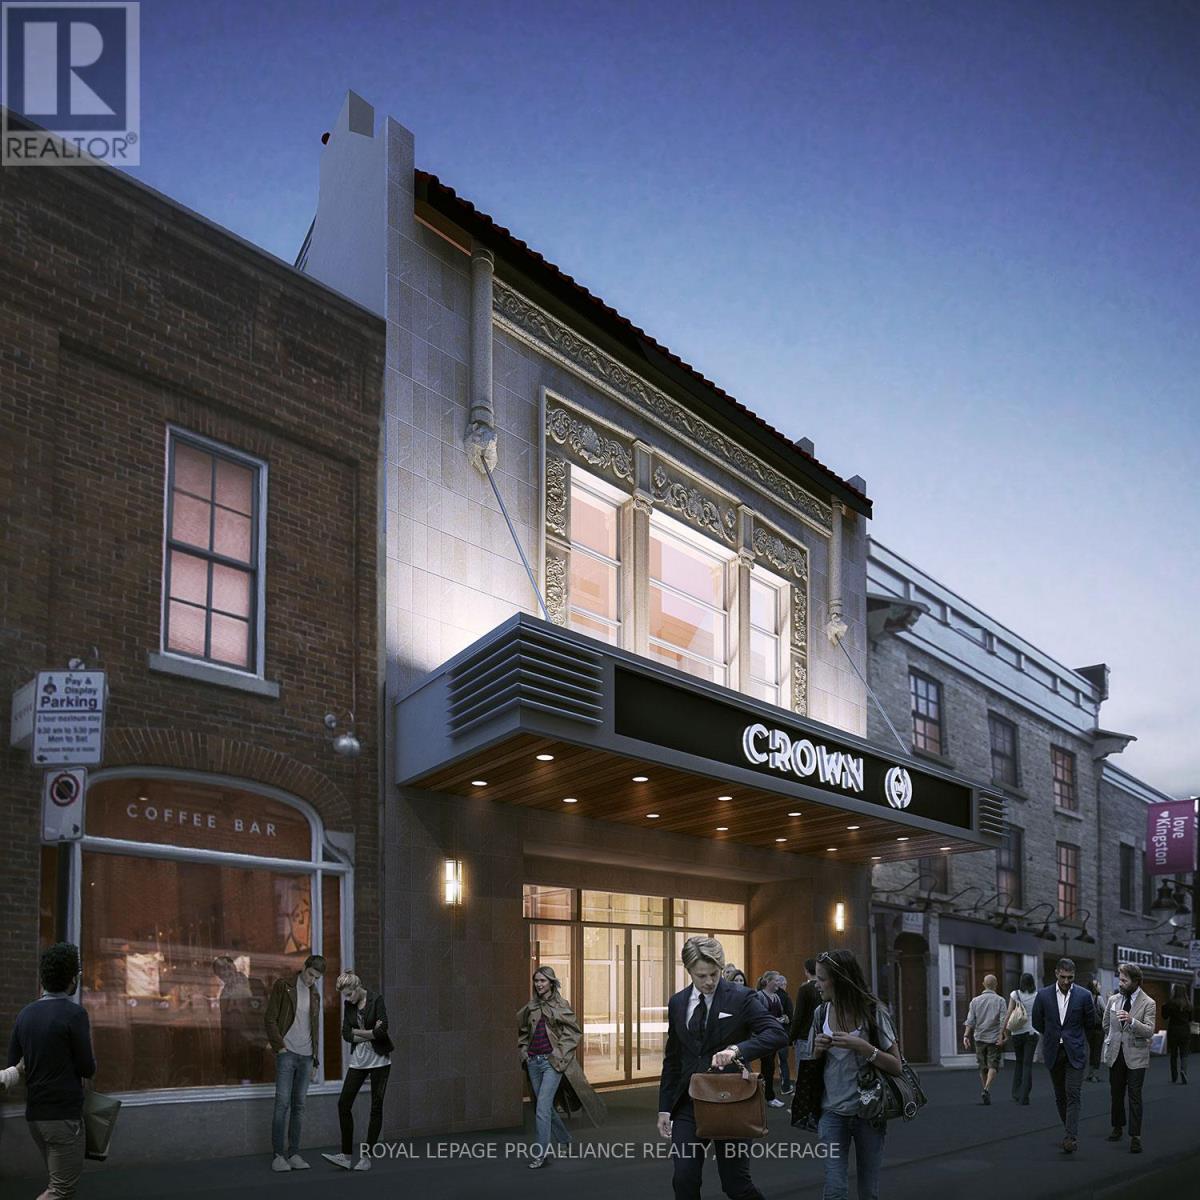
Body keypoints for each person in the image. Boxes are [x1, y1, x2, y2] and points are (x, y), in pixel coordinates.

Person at [658, 935, 787, 1200]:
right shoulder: (677, 1003)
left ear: (721, 967)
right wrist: (664, 1108)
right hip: (688, 1104)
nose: (709, 981)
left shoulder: (742, 997)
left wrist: (736, 1050)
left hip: (732, 1101)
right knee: (684, 1178)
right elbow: (672, 1059)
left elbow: (777, 1034)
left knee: (736, 1185)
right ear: (688, 970)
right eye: (701, 975)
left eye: (714, 974)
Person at [802, 949, 903, 1200]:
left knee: (868, 1191)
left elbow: (896, 1066)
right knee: (835, 1189)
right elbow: (811, 1063)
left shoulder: (873, 1012)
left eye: (821, 978)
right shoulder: (820, 1013)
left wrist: (864, 1048)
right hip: (831, 1112)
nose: (816, 984)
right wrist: (817, 1050)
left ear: (840, 979)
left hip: (868, 1113)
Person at [5, 942, 96, 1200]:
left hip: (36, 1115)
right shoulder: (74, 1015)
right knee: (61, 1190)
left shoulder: (25, 1014)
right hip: (63, 1116)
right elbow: (87, 1068)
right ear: (72, 979)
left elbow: (14, 1063)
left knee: (57, 1183)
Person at [517, 965, 605, 1168]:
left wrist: (557, 1056)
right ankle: (565, 1140)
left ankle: (541, 1154)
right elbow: (523, 1032)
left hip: (552, 1063)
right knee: (544, 1107)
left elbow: (573, 1032)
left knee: (542, 1108)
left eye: (543, 980)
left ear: (551, 983)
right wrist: (524, 1053)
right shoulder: (531, 1006)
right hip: (533, 1062)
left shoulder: (561, 1005)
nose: (539, 984)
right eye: (536, 981)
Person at [321, 972, 392, 1172]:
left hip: (379, 1061)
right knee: (343, 1104)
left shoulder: (376, 1000)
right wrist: (369, 1033)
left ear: (358, 987)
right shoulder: (349, 1005)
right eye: (345, 995)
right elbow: (346, 1034)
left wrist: (358, 1032)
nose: (348, 999)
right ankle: (345, 1156)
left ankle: (366, 1157)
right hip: (358, 1062)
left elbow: (382, 1030)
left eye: (350, 994)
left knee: (376, 1107)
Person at [264, 954, 326, 1172]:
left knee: (299, 1106)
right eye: (310, 975)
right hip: (287, 1053)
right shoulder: (284, 986)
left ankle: (294, 1154)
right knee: (282, 1104)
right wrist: (280, 1047)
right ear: (304, 967)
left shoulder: (315, 994)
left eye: (316, 978)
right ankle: (278, 1155)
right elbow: (270, 1019)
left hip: (306, 1057)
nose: (311, 980)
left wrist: (315, 1060)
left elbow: (314, 1030)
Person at [1031, 956, 1096, 1154]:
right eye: (1063, 977)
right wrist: (1053, 1035)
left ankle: (1070, 1137)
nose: (1067, 981)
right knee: (1060, 1095)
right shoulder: (1043, 995)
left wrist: (1076, 1039)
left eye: (1070, 977)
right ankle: (1069, 1128)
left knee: (1073, 1094)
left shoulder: (1084, 995)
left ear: (1074, 975)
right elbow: (1036, 1021)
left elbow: (1090, 1023)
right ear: (1056, 974)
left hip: (1075, 1052)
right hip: (1054, 1051)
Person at [1102, 962, 1156, 1153]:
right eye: (1120, 979)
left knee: (1134, 1096)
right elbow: (1106, 1024)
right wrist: (1113, 1039)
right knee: (1116, 1094)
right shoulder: (1113, 999)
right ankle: (1117, 1127)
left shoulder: (1148, 1002)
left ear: (1136, 981)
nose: (1120, 983)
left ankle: (1135, 1136)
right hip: (1115, 1053)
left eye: (1124, 980)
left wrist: (1132, 1021)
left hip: (1136, 1056)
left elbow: (1149, 1030)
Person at [963, 974, 1006, 1105]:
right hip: (994, 1038)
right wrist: (1002, 1035)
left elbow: (970, 1020)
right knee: (993, 1065)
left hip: (979, 1038)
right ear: (996, 985)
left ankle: (985, 1089)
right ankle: (986, 1089)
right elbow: (1003, 1020)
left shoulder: (975, 1001)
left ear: (983, 984)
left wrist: (966, 1035)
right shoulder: (1000, 1001)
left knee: (982, 1066)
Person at [999, 971, 1039, 1105]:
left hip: (1017, 1033)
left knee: (1019, 1063)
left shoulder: (1015, 994)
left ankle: (1016, 1093)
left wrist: (1003, 1031)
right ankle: (1024, 1096)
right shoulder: (1037, 995)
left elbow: (1008, 1013)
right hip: (1032, 1033)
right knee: (1028, 1065)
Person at [755, 970, 790, 1108]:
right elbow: (759, 1016)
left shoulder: (776, 997)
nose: (778, 982)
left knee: (770, 1066)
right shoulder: (760, 996)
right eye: (776, 980)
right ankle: (768, 1096)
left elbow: (781, 1013)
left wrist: (784, 1018)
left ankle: (767, 1096)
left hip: (774, 1036)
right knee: (767, 1066)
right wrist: (774, 1020)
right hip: (764, 1036)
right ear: (768, 981)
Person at [1163, 983, 1192, 1084]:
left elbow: (1164, 1016)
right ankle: (1183, 1070)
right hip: (1185, 1031)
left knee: (1173, 1054)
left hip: (1173, 1031)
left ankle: (1174, 1077)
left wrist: (1164, 1007)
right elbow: (1190, 1019)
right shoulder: (1188, 1004)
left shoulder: (1170, 1003)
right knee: (1184, 1053)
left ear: (1174, 991)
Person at [789, 959, 821, 1049]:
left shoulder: (804, 989)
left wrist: (791, 1037)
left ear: (806, 971)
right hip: (820, 1036)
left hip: (804, 1036)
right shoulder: (825, 988)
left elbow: (798, 1015)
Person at [775, 975, 795, 1095]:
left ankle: (766, 1088)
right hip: (782, 1033)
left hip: (769, 1033)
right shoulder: (786, 997)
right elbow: (791, 1017)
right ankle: (785, 1086)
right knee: (783, 1061)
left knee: (768, 1063)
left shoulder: (769, 996)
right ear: (783, 984)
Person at [1085, 980, 1105, 1082]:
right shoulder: (1099, 998)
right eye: (1098, 984)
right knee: (1097, 1051)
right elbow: (1105, 1011)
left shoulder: (1086, 999)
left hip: (1088, 1029)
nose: (1100, 986)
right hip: (1098, 1029)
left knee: (1091, 1051)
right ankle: (1094, 1074)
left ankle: (1089, 1073)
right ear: (1095, 987)